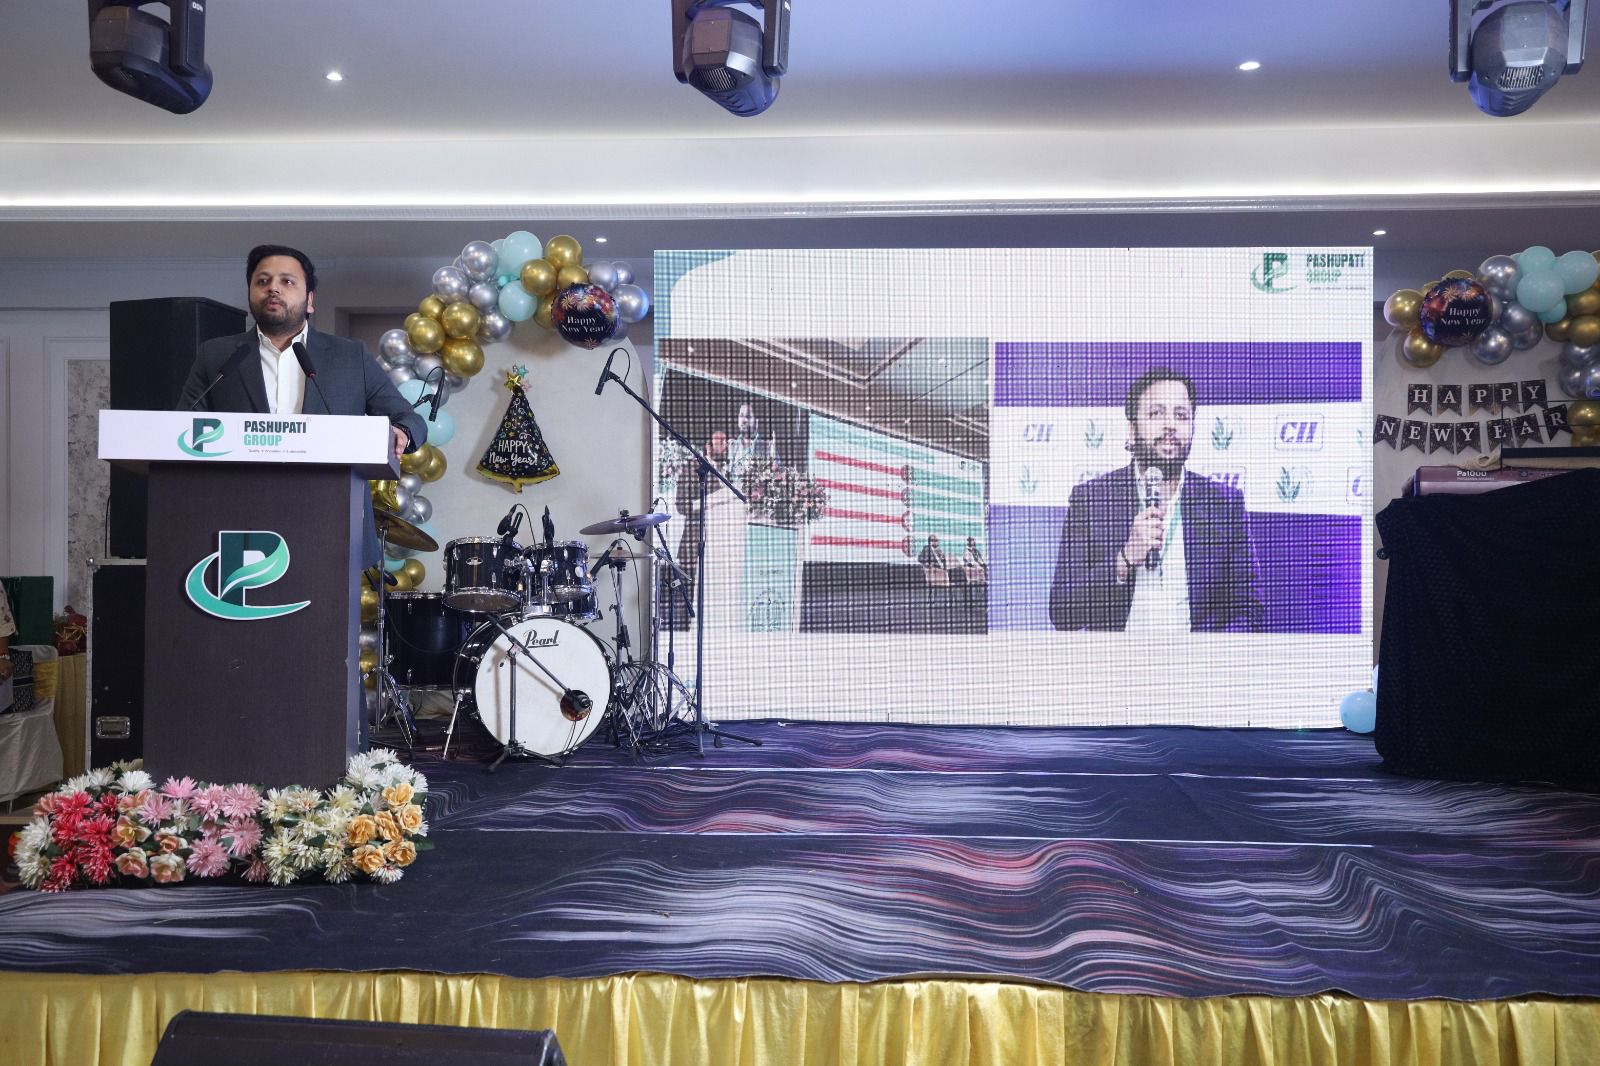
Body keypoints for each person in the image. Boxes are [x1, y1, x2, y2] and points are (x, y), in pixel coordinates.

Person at [177, 245, 427, 568]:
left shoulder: (351, 357)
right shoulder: (217, 357)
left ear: (310, 300)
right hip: (238, 523)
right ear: (251, 294)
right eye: (262, 281)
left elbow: (409, 418)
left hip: (332, 524)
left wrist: (402, 431)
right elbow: (182, 430)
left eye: (287, 281)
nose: (273, 288)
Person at [1048, 367, 1262, 633]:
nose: (1170, 425)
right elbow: (1062, 612)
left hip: (1198, 657)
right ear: (1132, 429)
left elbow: (1250, 609)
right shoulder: (1092, 500)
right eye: (1156, 413)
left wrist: (1210, 652)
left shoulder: (1224, 504)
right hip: (1118, 657)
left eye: (1181, 415)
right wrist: (1124, 560)